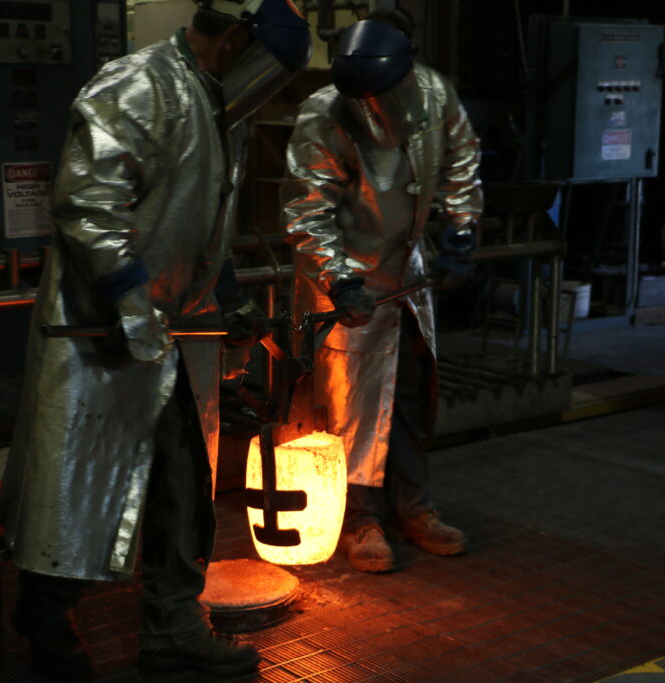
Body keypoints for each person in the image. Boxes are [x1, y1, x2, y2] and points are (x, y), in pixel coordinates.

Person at [0, 1, 310, 678]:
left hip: (164, 332)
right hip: (98, 331)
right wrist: (129, 300)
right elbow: (88, 201)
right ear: (235, 41)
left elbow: (200, 217)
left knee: (181, 479)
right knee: (78, 490)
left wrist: (225, 297)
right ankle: (45, 618)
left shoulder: (209, 98)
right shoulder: (140, 85)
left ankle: (172, 624)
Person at [281, 12, 483, 573]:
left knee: (411, 389)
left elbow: (462, 161)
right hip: (349, 278)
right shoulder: (325, 115)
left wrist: (459, 230)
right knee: (351, 402)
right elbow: (307, 208)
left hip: (408, 274)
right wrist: (339, 278)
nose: (373, 110)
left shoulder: (434, 95)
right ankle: (358, 519)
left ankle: (413, 508)